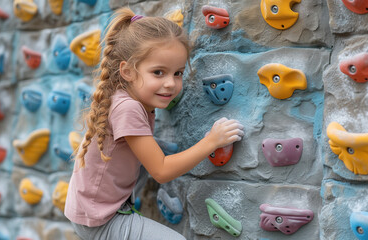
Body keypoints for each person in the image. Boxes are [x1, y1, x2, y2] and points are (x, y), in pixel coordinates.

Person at [64, 7, 244, 240]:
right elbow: (161, 170)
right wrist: (212, 140)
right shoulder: (128, 108)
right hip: (101, 220)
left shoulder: (127, 99)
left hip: (90, 212)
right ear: (127, 71)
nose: (170, 83)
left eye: (178, 73)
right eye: (158, 72)